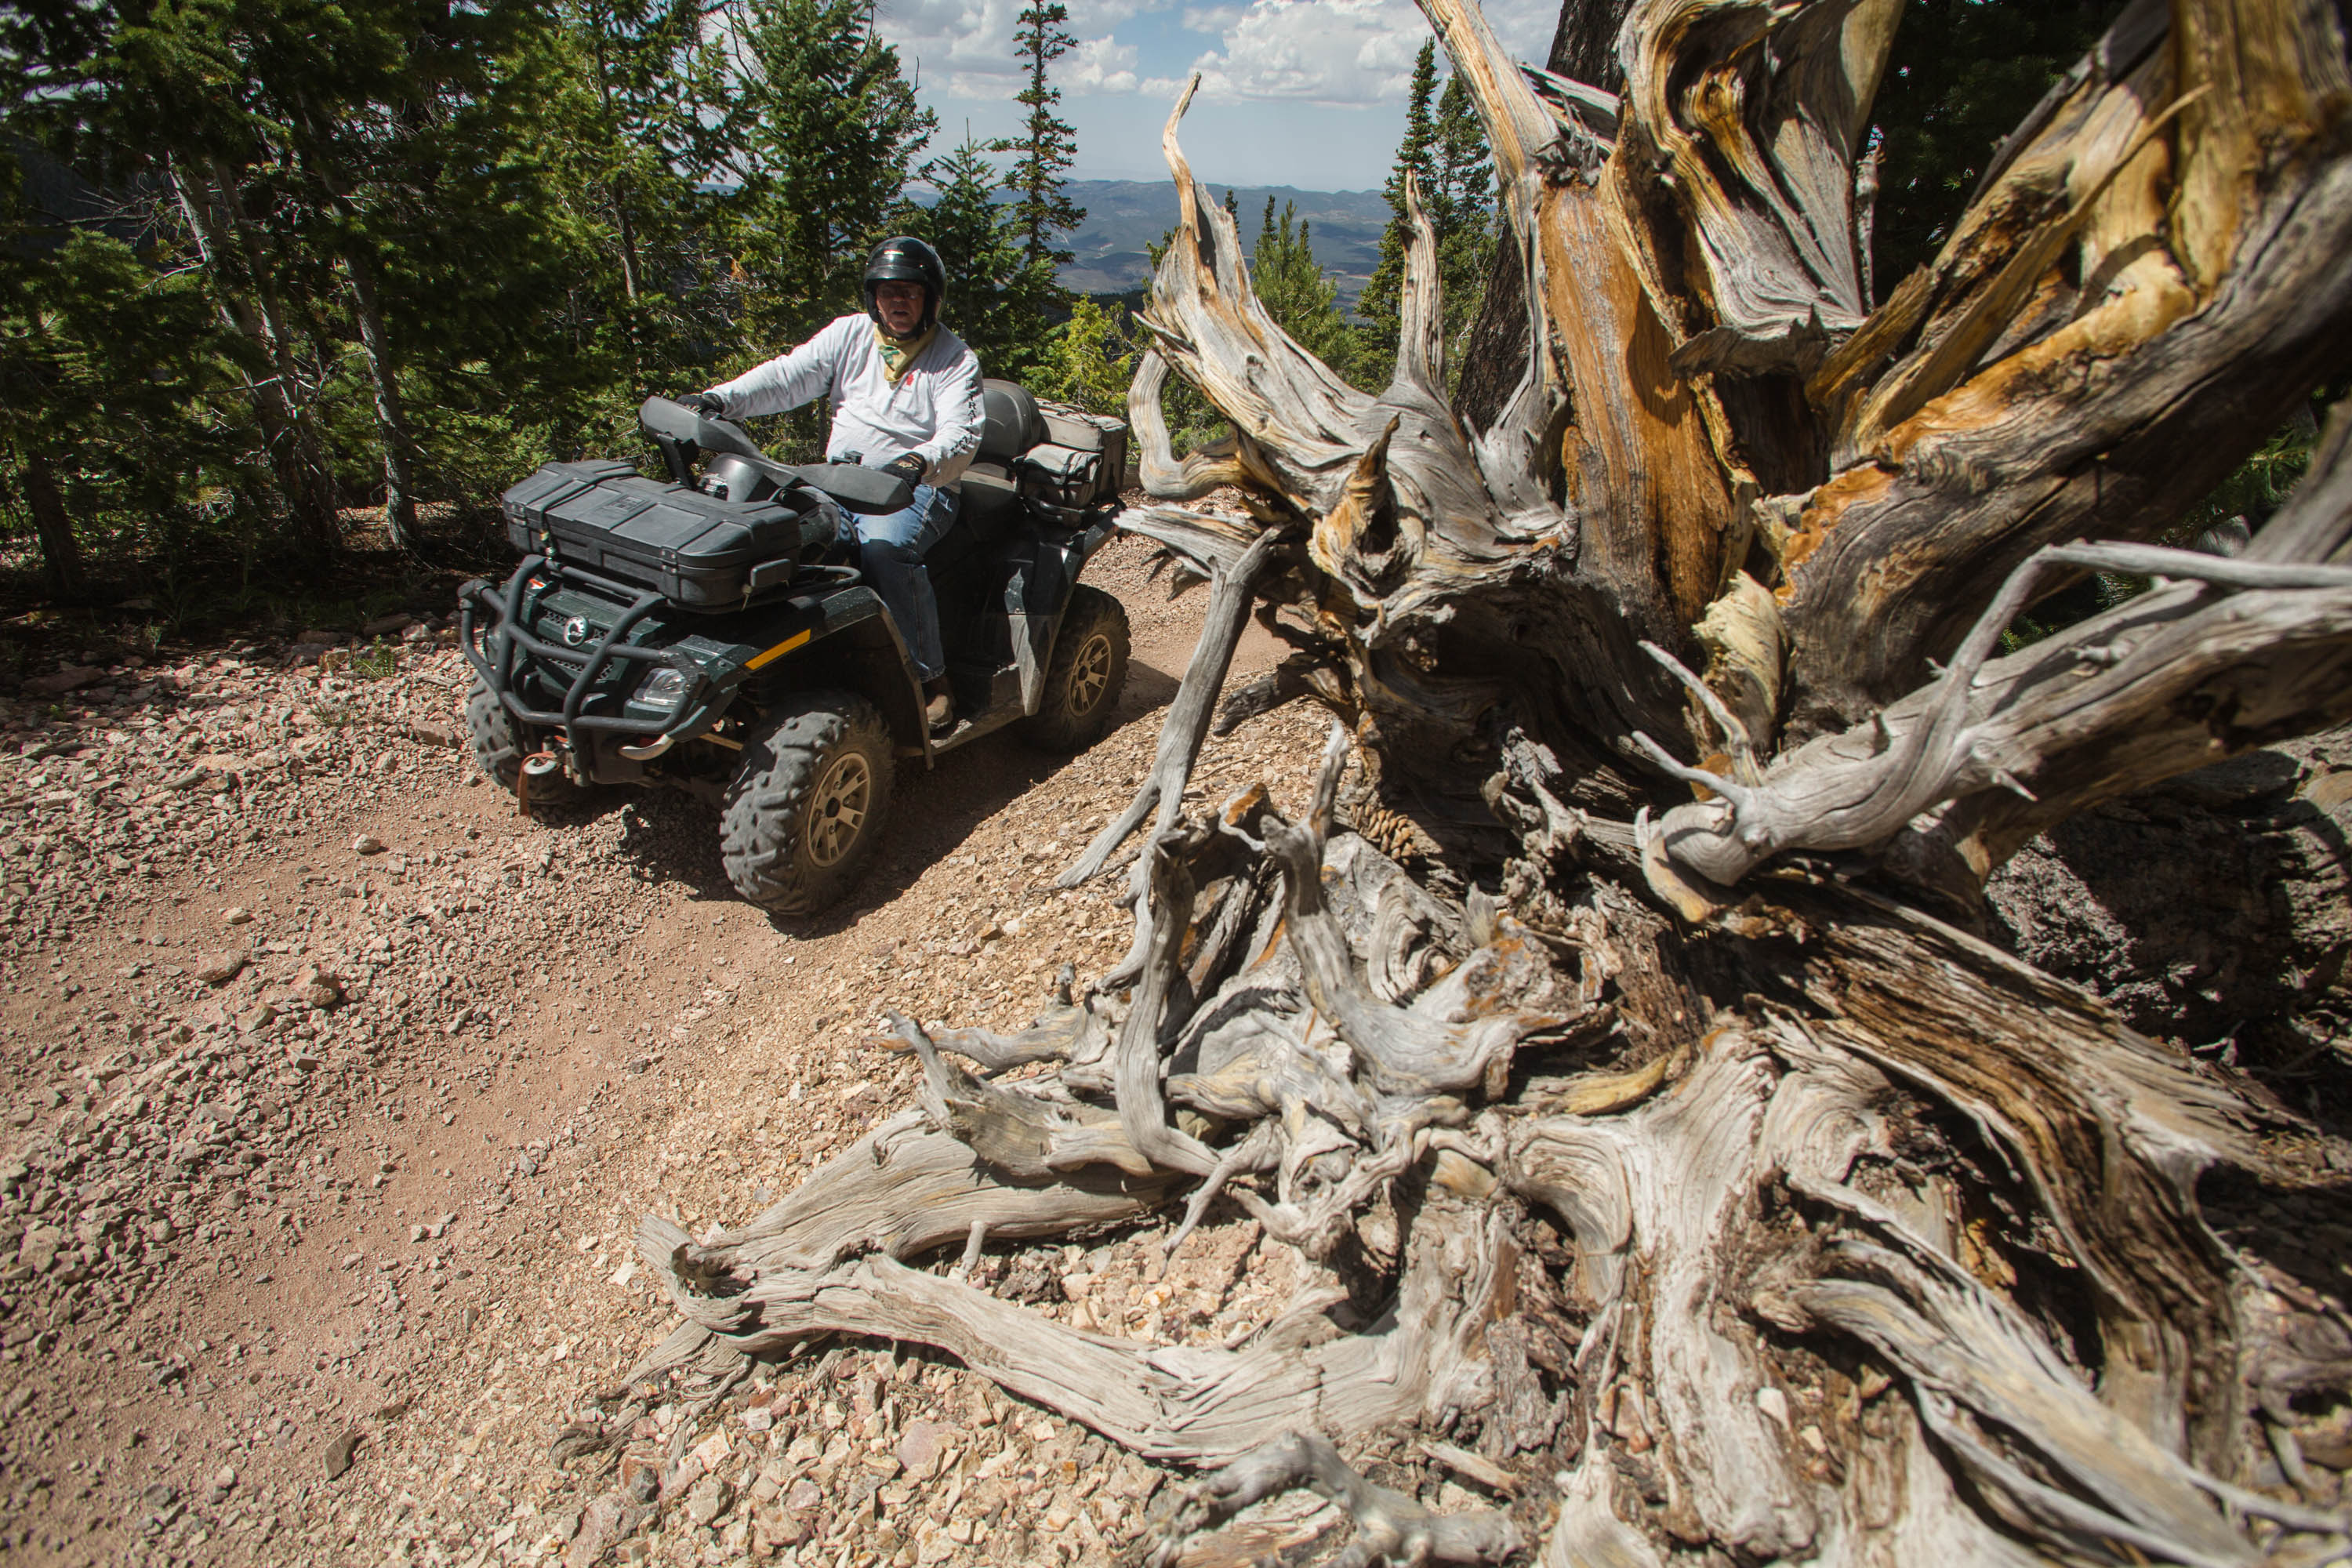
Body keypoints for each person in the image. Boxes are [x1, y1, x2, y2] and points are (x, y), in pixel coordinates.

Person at [686, 238, 982, 731]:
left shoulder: (954, 360)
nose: (898, 302)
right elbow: (787, 377)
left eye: (910, 291)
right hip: (838, 479)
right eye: (888, 292)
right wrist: (719, 400)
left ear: (930, 297)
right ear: (873, 297)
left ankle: (930, 681)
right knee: (783, 537)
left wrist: (917, 462)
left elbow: (961, 434)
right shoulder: (849, 335)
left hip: (917, 487)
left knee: (886, 551)